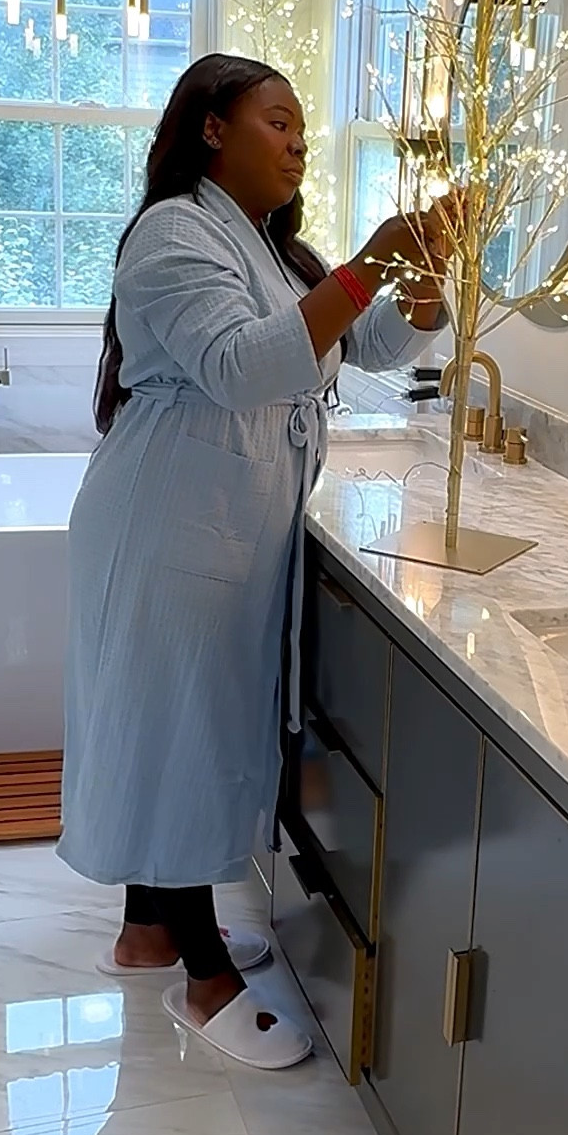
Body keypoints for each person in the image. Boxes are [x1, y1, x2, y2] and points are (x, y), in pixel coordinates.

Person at [58, 54, 451, 1070]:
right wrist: (368, 262)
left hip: (217, 517)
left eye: (302, 128)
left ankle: (147, 933)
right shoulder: (173, 233)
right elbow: (240, 366)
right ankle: (205, 980)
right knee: (177, 734)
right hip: (169, 519)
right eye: (278, 121)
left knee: (171, 720)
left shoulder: (268, 249)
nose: (298, 142)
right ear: (212, 129)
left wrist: (418, 281)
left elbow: (364, 347)